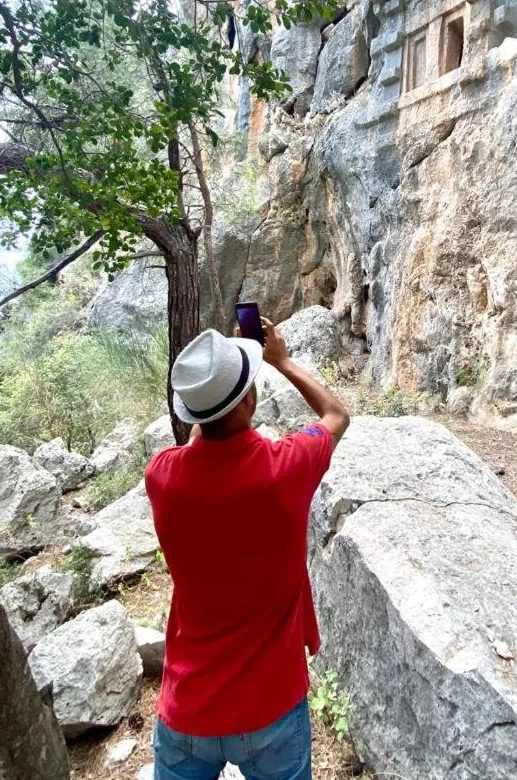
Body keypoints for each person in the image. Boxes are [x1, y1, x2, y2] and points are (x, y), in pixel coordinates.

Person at [144, 316, 350, 780]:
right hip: (271, 706)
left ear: (191, 413)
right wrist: (279, 359)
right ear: (251, 400)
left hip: (188, 708)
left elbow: (203, 442)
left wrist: (215, 392)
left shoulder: (162, 476)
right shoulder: (285, 469)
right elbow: (336, 415)